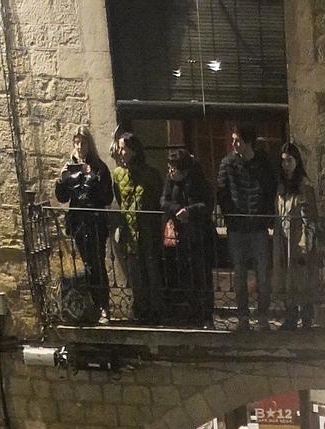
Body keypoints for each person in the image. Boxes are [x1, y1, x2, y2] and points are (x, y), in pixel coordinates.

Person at [217, 125, 276, 331]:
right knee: (239, 274)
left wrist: (266, 218)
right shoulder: (227, 164)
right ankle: (243, 317)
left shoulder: (263, 164)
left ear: (248, 142)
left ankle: (263, 317)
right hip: (237, 229)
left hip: (258, 228)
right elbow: (222, 193)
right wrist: (231, 218)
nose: (234, 144)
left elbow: (270, 191)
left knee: (263, 275)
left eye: (238, 140)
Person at [55, 126, 114, 319]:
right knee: (86, 265)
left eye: (83, 142)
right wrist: (61, 180)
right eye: (77, 142)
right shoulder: (70, 167)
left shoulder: (99, 167)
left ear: (89, 144)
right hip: (79, 223)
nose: (79, 147)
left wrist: (93, 177)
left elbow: (107, 197)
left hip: (95, 222)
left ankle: (103, 305)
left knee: (97, 263)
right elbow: (63, 197)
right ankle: (89, 306)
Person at [160, 145, 215, 326]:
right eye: (169, 168)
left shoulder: (199, 181)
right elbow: (164, 201)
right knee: (184, 275)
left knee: (202, 275)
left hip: (199, 235)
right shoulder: (170, 181)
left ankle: (206, 315)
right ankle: (190, 313)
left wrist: (189, 211)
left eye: (173, 169)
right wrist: (177, 210)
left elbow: (207, 204)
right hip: (180, 235)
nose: (170, 172)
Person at [111, 131, 163, 323]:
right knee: (135, 271)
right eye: (119, 148)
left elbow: (156, 198)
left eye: (123, 148)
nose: (120, 152)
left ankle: (156, 310)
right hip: (130, 230)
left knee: (151, 269)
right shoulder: (118, 175)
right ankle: (140, 309)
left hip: (148, 229)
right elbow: (119, 198)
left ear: (133, 150)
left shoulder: (150, 174)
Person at [274, 141, 318, 330]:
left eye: (289, 160)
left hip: (298, 240)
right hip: (284, 239)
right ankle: (290, 316)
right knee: (287, 279)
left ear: (296, 162)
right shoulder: (281, 188)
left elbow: (310, 219)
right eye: (283, 161)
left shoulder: (304, 187)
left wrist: (305, 244)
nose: (286, 165)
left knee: (303, 279)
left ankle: (307, 318)